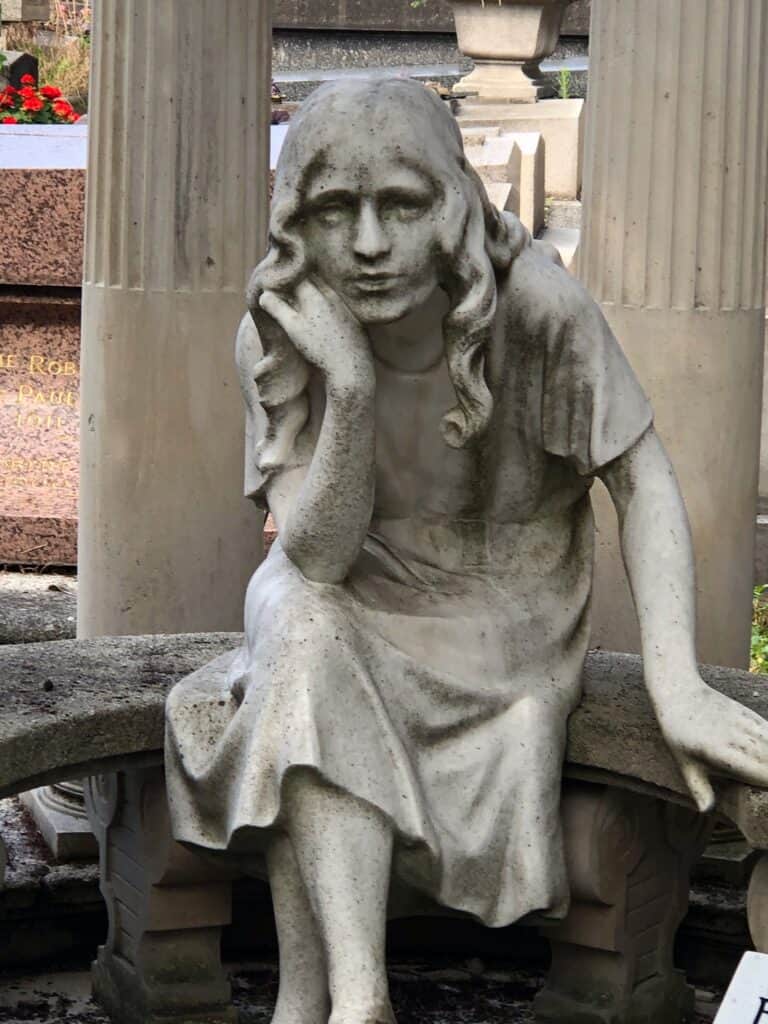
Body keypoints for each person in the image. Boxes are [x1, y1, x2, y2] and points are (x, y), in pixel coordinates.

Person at [166, 79, 768, 1024]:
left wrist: (677, 680)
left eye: (400, 205)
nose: (368, 245)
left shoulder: (533, 308)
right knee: (298, 621)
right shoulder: (282, 332)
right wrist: (352, 389)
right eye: (335, 210)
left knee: (297, 662)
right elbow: (316, 555)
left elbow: (642, 478)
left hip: (504, 613)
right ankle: (356, 1000)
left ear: (451, 201)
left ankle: (311, 996)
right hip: (348, 584)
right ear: (297, 219)